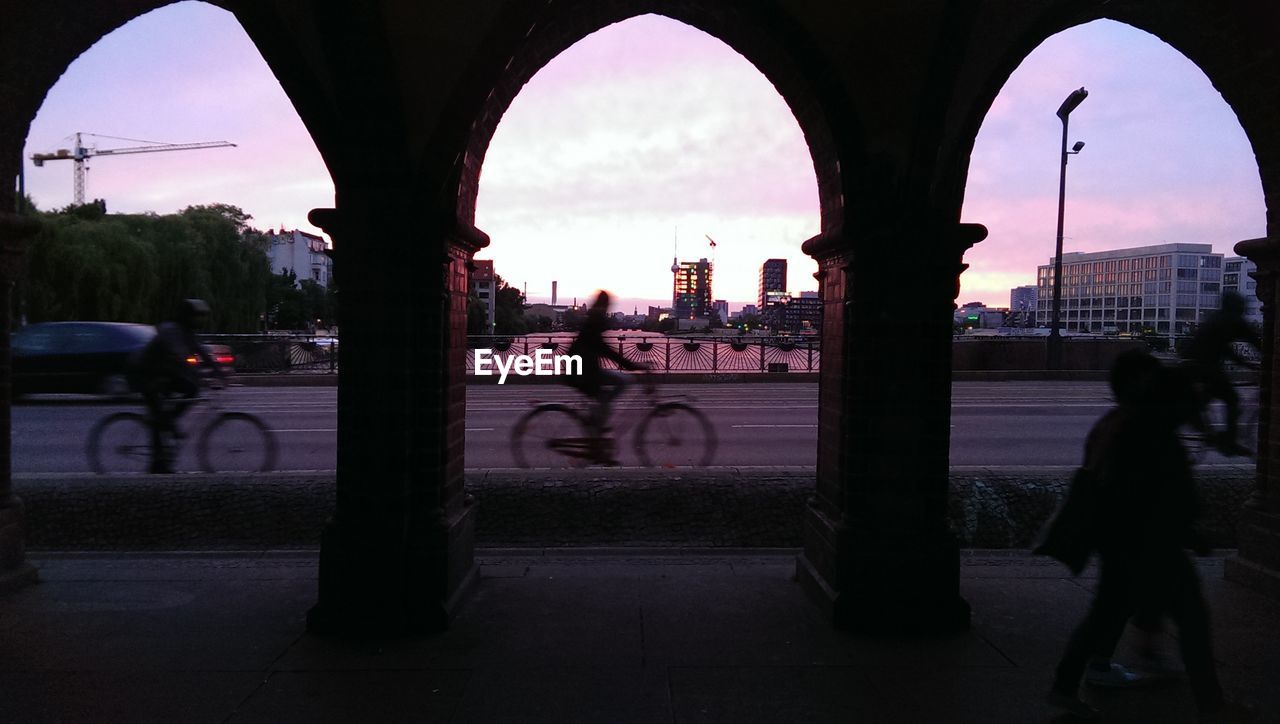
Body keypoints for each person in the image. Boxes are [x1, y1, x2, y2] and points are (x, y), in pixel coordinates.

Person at [1049, 350, 1234, 720]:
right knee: (1192, 623)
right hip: (1153, 547)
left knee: (1104, 613)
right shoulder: (1155, 438)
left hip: (1124, 542)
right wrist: (1190, 533)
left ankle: (1066, 685)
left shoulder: (1123, 426)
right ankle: (1213, 706)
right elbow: (1161, 498)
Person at [131, 298, 224, 473]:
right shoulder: (171, 330)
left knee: (191, 389)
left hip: (162, 372)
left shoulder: (186, 332)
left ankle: (169, 423)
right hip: (144, 372)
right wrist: (198, 374)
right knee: (158, 413)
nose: (200, 321)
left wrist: (218, 372)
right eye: (197, 317)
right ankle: (158, 461)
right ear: (187, 316)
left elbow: (201, 352)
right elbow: (179, 355)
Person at [565, 291, 646, 463]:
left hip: (583, 369)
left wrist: (629, 365)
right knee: (623, 381)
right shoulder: (596, 320)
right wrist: (632, 366)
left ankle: (598, 424)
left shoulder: (593, 318)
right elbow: (604, 349)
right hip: (583, 373)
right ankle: (597, 431)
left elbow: (602, 349)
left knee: (615, 388)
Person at [1182, 291, 1261, 456]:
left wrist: (1245, 363)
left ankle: (1199, 422)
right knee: (1232, 399)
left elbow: (1224, 349)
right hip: (1205, 366)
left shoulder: (1217, 318)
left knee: (1209, 394)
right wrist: (1257, 364)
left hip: (1190, 362)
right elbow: (1257, 343)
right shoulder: (1235, 321)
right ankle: (1229, 443)